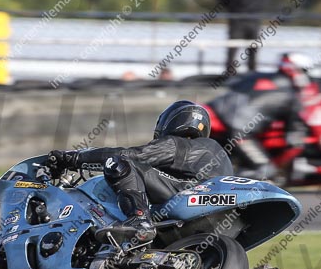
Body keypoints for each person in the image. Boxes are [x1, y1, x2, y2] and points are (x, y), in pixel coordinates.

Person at [47, 101, 233, 242]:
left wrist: (74, 158)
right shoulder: (215, 152)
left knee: (119, 162)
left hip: (190, 195)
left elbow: (133, 155)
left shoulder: (181, 144)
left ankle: (139, 220)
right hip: (219, 219)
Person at [208, 53, 317, 178]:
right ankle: (228, 184)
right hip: (239, 131)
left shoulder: (256, 76)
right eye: (305, 71)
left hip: (216, 114)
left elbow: (231, 84)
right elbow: (295, 135)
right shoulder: (292, 94)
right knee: (265, 170)